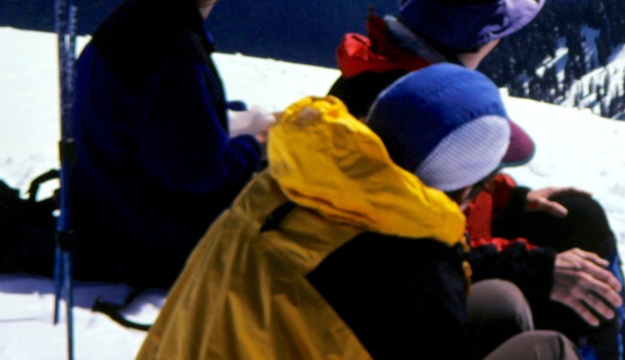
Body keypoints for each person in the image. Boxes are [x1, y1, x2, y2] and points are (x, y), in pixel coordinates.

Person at [330, 0, 625, 360]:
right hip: (418, 269)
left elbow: (442, 187)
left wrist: (507, 197)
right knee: (578, 285)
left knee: (576, 215)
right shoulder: (401, 106)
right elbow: (409, 249)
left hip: (443, 244)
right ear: (485, 38)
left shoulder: (390, 75)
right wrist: (537, 268)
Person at [136, 64, 578, 360]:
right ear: (461, 188)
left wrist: (521, 267)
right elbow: (404, 293)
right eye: (483, 184)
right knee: (550, 350)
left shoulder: (289, 183)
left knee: (499, 302)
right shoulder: (411, 275)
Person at [68, 0, 272, 288]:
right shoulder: (178, 57)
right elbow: (195, 173)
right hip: (143, 229)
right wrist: (257, 147)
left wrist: (229, 122)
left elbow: (157, 119)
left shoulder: (130, 16)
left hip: (98, 198)